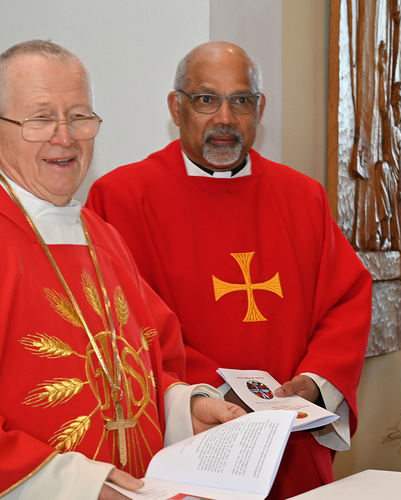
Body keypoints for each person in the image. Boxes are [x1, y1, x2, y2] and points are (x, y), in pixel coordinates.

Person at [87, 41, 372, 500]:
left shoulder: (302, 197)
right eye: (205, 99)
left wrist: (315, 382)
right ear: (175, 107)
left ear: (259, 108)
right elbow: (123, 327)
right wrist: (209, 393)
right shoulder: (121, 198)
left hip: (289, 446)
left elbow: (347, 299)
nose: (224, 118)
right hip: (187, 444)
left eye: (240, 100)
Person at [0, 40, 246, 500]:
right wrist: (77, 485)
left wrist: (188, 410)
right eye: (40, 118)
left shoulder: (102, 237)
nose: (65, 137)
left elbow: (150, 369)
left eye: (79, 116)